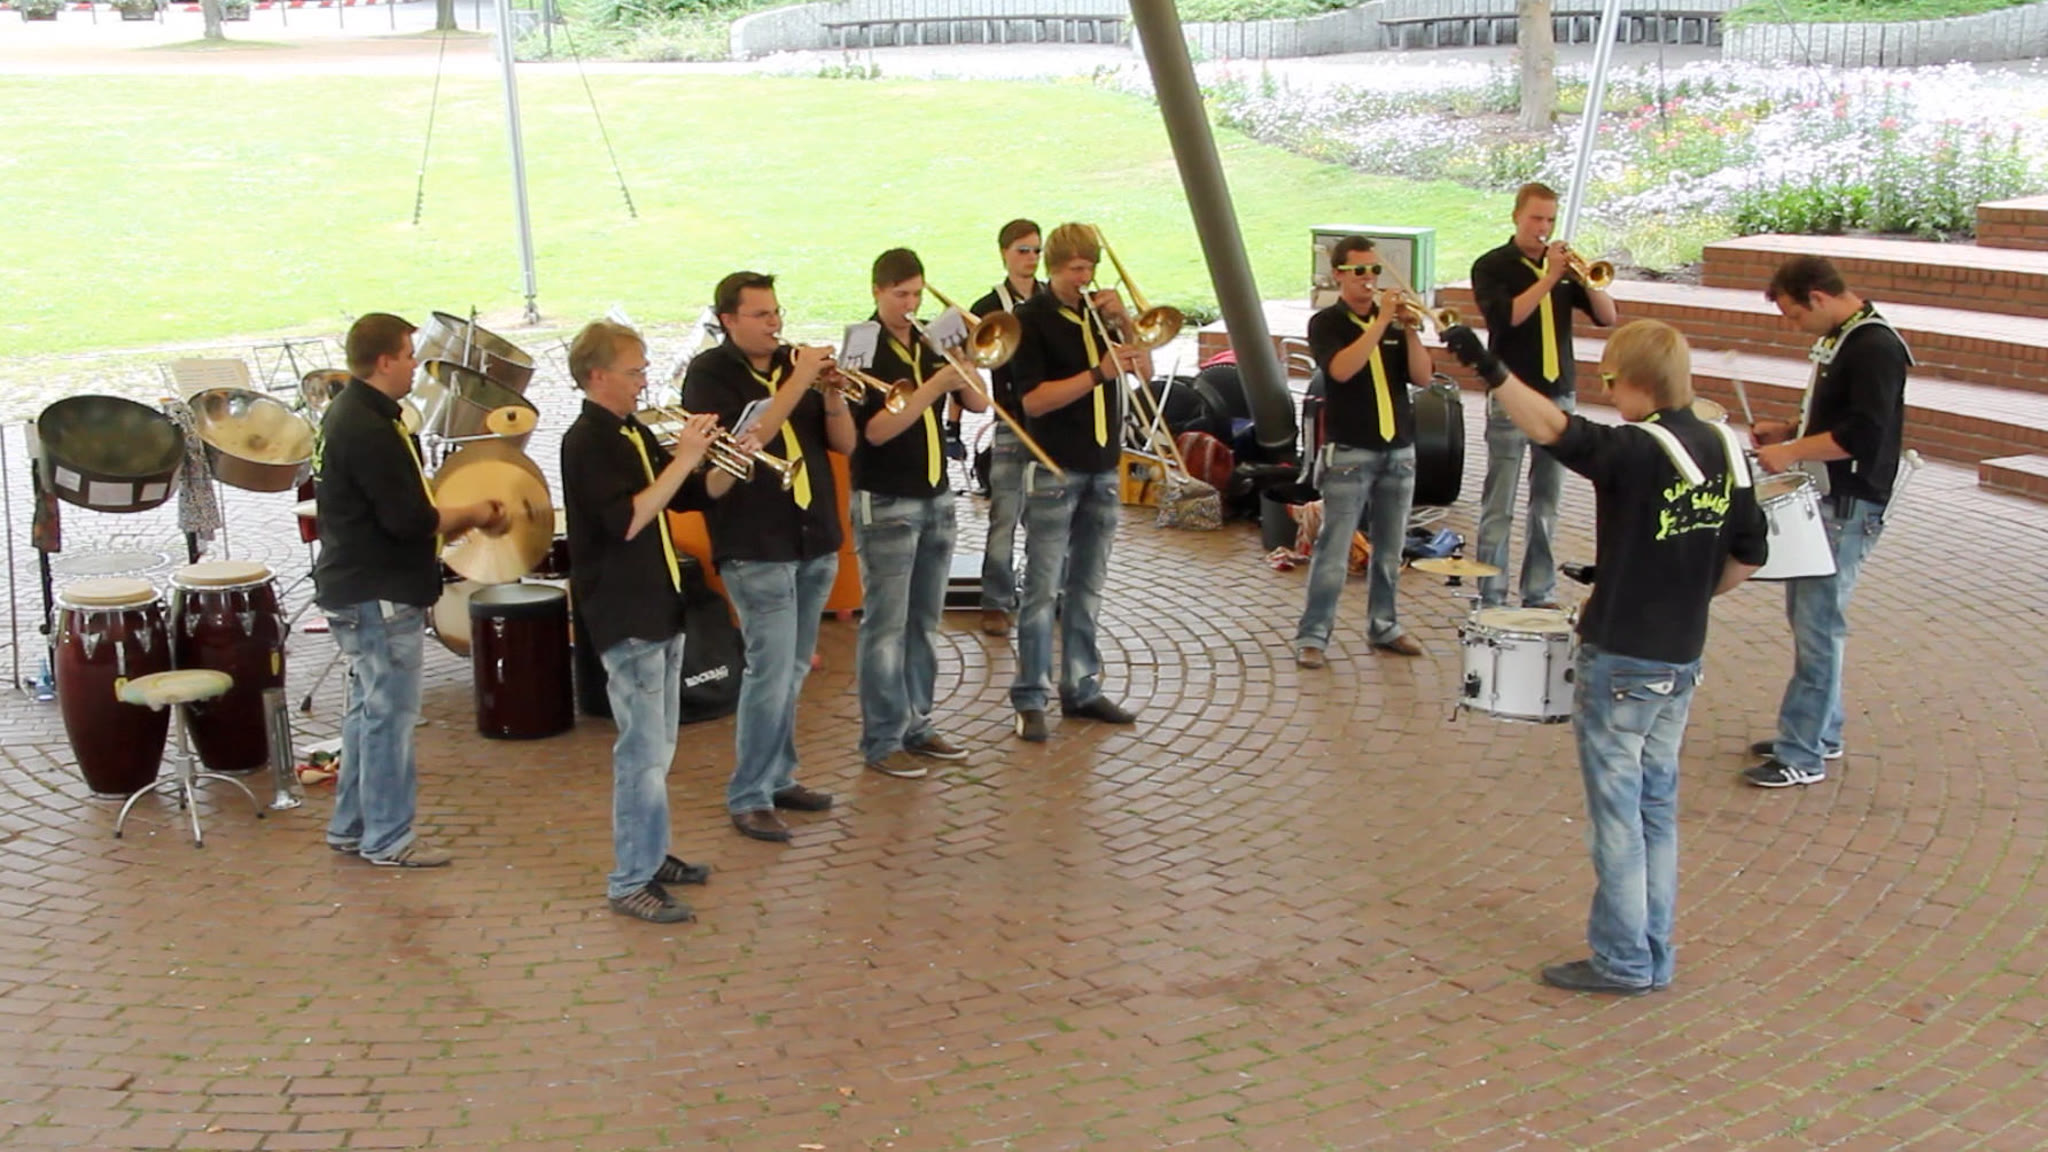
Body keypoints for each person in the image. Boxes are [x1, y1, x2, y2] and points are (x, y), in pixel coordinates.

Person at [1444, 318, 1767, 995]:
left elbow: (1553, 429)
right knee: (1655, 810)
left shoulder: (1638, 450)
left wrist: (1491, 370)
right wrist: (1683, 592)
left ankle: (1622, 960)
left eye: (1611, 382)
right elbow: (1747, 557)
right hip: (1680, 658)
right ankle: (1654, 951)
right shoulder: (1727, 449)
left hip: (1623, 659)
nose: (1609, 395)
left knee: (1618, 817)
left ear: (1634, 383)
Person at [316, 312, 505, 868]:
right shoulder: (370, 429)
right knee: (389, 720)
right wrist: (475, 512)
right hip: (379, 594)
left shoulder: (349, 414)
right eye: (408, 356)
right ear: (383, 362)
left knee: (366, 715)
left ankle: (352, 826)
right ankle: (387, 837)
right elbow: (409, 520)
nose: (414, 366)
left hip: (357, 586)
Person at [681, 272, 855, 843]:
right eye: (760, 315)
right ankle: (749, 794)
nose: (775, 324)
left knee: (794, 669)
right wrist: (799, 379)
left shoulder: (791, 366)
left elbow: (845, 444)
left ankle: (779, 776)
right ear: (728, 320)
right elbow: (749, 441)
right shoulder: (709, 374)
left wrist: (831, 393)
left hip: (813, 537)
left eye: (776, 312)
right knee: (770, 672)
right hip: (756, 546)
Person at [561, 319, 721, 923]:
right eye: (634, 372)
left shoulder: (633, 431)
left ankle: (650, 854)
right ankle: (630, 878)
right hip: (625, 612)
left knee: (661, 747)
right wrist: (685, 458)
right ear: (597, 376)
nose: (643, 381)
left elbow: (688, 496)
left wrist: (726, 461)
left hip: (660, 605)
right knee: (641, 755)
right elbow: (628, 519)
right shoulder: (586, 441)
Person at [1744, 255, 1911, 788]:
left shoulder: (1874, 347)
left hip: (1849, 503)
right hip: (1830, 499)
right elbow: (1837, 414)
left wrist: (1791, 451)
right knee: (1811, 618)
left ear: (1817, 297)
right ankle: (1821, 731)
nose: (1796, 326)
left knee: (1818, 625)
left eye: (1796, 315)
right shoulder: (1846, 338)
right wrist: (1788, 429)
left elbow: (1861, 434)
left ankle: (1801, 753)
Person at [1006, 223, 1147, 742]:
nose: (1085, 279)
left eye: (1090, 268)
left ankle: (1082, 687)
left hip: (1103, 467)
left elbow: (1145, 372)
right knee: (1042, 590)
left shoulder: (1099, 315)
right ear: (1054, 269)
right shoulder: (1030, 319)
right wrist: (1097, 373)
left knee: (1088, 586)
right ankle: (1030, 697)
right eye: (1076, 270)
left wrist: (1125, 322)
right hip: (1054, 469)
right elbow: (1034, 401)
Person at [850, 249, 987, 779]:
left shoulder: (931, 338)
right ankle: (882, 740)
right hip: (887, 499)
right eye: (899, 295)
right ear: (877, 292)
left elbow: (980, 405)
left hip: (937, 496)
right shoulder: (862, 346)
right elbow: (874, 432)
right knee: (886, 627)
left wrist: (964, 362)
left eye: (916, 295)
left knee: (925, 622)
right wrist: (933, 388)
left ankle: (918, 724)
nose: (909, 305)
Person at [1470, 182, 1619, 610]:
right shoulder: (1492, 266)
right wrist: (1550, 277)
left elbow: (1608, 317)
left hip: (1559, 395)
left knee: (1547, 503)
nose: (1543, 227)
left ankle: (1539, 592)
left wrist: (1586, 278)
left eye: (1550, 219)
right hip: (1512, 395)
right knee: (1499, 503)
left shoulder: (1563, 269)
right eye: (1536, 218)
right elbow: (1507, 318)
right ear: (1516, 216)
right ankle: (1491, 596)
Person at [1293, 235, 1434, 668]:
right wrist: (1381, 322)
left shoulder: (1391, 323)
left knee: (1390, 551)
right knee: (1334, 551)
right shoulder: (1326, 323)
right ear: (1338, 275)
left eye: (1374, 270)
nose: (1369, 279)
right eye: (1359, 271)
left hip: (1399, 450)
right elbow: (1340, 369)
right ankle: (1313, 635)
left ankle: (1385, 625)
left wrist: (1409, 330)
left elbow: (1423, 378)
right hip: (1351, 453)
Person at [971, 219, 1047, 638]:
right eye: (1023, 250)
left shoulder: (1051, 301)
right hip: (1010, 424)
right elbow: (971, 365)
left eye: (1037, 250)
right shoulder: (987, 305)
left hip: (1050, 426)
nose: (1031, 258)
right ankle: (995, 602)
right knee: (1004, 516)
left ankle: (1042, 596)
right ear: (1004, 253)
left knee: (1047, 519)